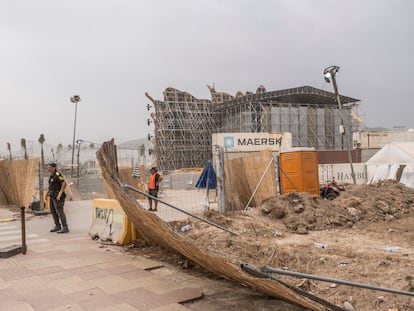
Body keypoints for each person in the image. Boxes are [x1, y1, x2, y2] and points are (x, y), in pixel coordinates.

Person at [47, 162, 69, 233]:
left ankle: (65, 227)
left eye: (49, 167)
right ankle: (57, 225)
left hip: (58, 196)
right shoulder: (51, 175)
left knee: (59, 212)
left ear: (54, 168)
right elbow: (51, 185)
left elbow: (64, 183)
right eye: (48, 167)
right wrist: (47, 193)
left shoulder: (58, 174)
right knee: (53, 211)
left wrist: (60, 193)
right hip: (52, 196)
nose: (48, 168)